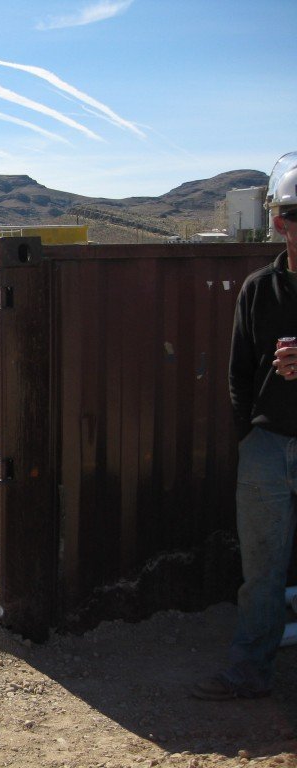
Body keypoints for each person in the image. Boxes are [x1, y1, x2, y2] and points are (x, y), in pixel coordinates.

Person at [192, 153, 297, 700]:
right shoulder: (258, 290)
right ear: (279, 222)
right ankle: (250, 670)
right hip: (267, 447)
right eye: (295, 214)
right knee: (261, 570)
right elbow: (237, 372)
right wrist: (248, 435)